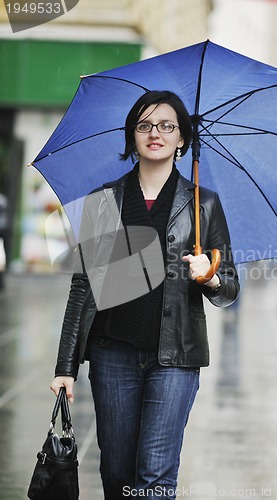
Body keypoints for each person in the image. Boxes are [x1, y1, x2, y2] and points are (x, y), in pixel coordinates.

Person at [51, 90, 240, 499]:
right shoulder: (104, 200)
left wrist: (209, 278)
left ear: (182, 139)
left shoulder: (203, 204)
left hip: (174, 356)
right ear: (132, 136)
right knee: (117, 474)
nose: (155, 133)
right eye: (145, 125)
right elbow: (83, 284)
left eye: (167, 126)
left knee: (155, 475)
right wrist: (65, 366)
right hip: (111, 351)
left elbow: (230, 286)